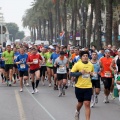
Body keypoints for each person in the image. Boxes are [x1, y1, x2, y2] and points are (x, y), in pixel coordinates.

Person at [71, 51, 94, 120]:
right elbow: (72, 74)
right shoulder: (77, 64)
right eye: (84, 56)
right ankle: (77, 111)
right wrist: (80, 73)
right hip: (79, 87)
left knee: (87, 103)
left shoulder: (91, 65)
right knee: (80, 103)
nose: (85, 57)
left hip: (88, 87)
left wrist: (92, 74)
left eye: (86, 56)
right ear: (81, 57)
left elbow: (92, 74)